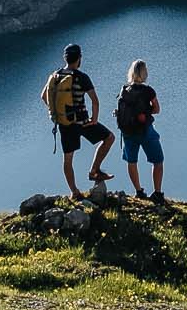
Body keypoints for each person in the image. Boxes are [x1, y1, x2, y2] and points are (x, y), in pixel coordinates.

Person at [41, 43, 114, 198]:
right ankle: (94, 171)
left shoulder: (56, 76)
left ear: (65, 58)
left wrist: (57, 112)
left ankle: (74, 191)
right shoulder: (81, 77)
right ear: (79, 58)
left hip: (65, 123)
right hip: (82, 121)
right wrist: (94, 119)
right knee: (109, 138)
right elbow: (95, 100)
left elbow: (43, 96)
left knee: (68, 158)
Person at [116, 58, 165, 202]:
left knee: (132, 161)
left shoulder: (124, 89)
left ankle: (138, 191)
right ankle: (157, 193)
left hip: (127, 131)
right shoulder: (148, 91)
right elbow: (157, 109)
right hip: (145, 131)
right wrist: (146, 111)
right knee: (158, 161)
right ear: (144, 73)